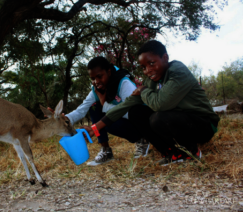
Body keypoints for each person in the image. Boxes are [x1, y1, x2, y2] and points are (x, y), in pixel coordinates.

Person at [82, 40, 220, 166]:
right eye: (143, 67)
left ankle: (192, 152)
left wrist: (144, 91)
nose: (147, 71)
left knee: (158, 117)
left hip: (204, 124)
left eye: (152, 63)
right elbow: (126, 104)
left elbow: (161, 104)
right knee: (136, 112)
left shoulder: (177, 71)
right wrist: (95, 128)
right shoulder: (151, 80)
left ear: (165, 58)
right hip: (178, 121)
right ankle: (172, 153)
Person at [59, 56, 150, 166]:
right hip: (119, 117)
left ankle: (142, 140)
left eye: (99, 76)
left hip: (140, 122)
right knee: (94, 108)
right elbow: (81, 109)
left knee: (107, 122)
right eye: (93, 79)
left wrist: (104, 104)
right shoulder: (96, 89)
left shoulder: (123, 83)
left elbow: (131, 112)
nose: (96, 82)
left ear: (109, 72)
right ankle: (105, 149)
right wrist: (65, 119)